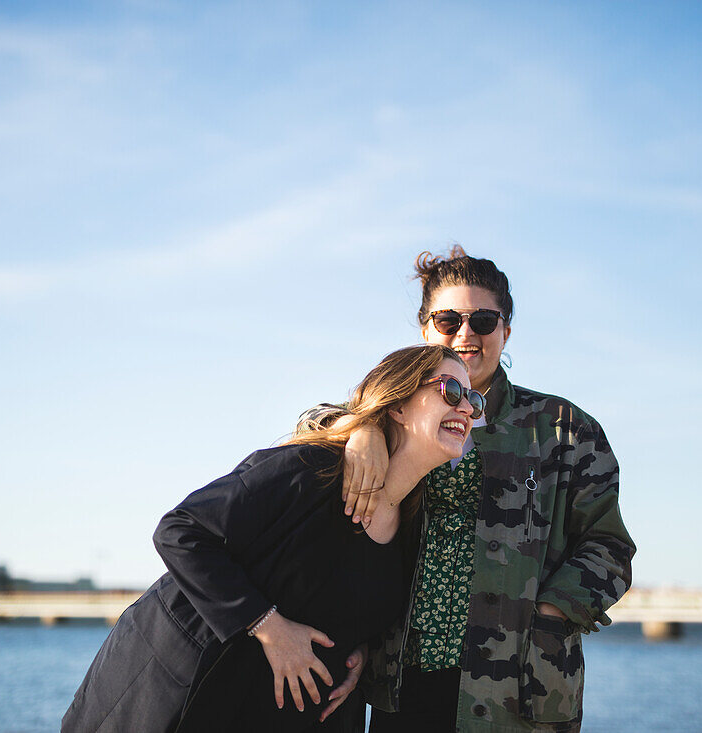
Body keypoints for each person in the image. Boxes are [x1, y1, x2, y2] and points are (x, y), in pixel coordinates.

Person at [62, 344, 483, 733]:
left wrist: (362, 654)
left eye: (474, 399)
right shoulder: (313, 468)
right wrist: (269, 626)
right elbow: (181, 532)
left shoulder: (414, 520)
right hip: (177, 694)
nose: (466, 408)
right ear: (398, 406)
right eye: (450, 391)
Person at [299, 247, 636, 732]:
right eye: (448, 319)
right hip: (400, 683)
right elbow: (308, 429)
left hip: (518, 690)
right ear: (424, 330)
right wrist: (362, 428)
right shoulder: (392, 415)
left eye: (482, 320)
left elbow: (611, 547)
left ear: (506, 332)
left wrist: (549, 614)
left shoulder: (565, 429)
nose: (465, 333)